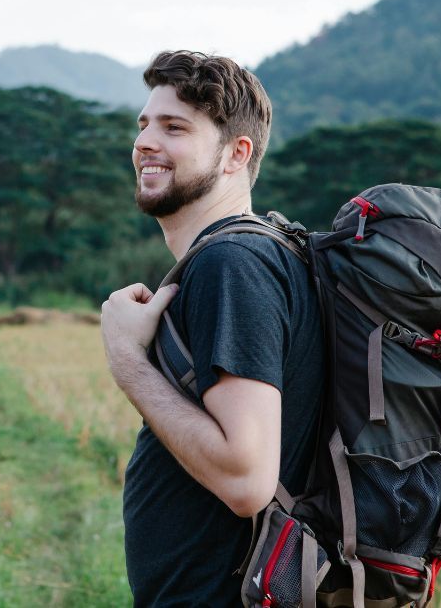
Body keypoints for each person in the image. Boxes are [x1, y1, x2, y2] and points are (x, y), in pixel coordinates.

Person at [100, 50, 326, 606]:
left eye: (175, 127)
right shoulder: (254, 254)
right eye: (144, 125)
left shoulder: (233, 265)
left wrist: (127, 359)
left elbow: (245, 479)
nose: (146, 142)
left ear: (235, 154)